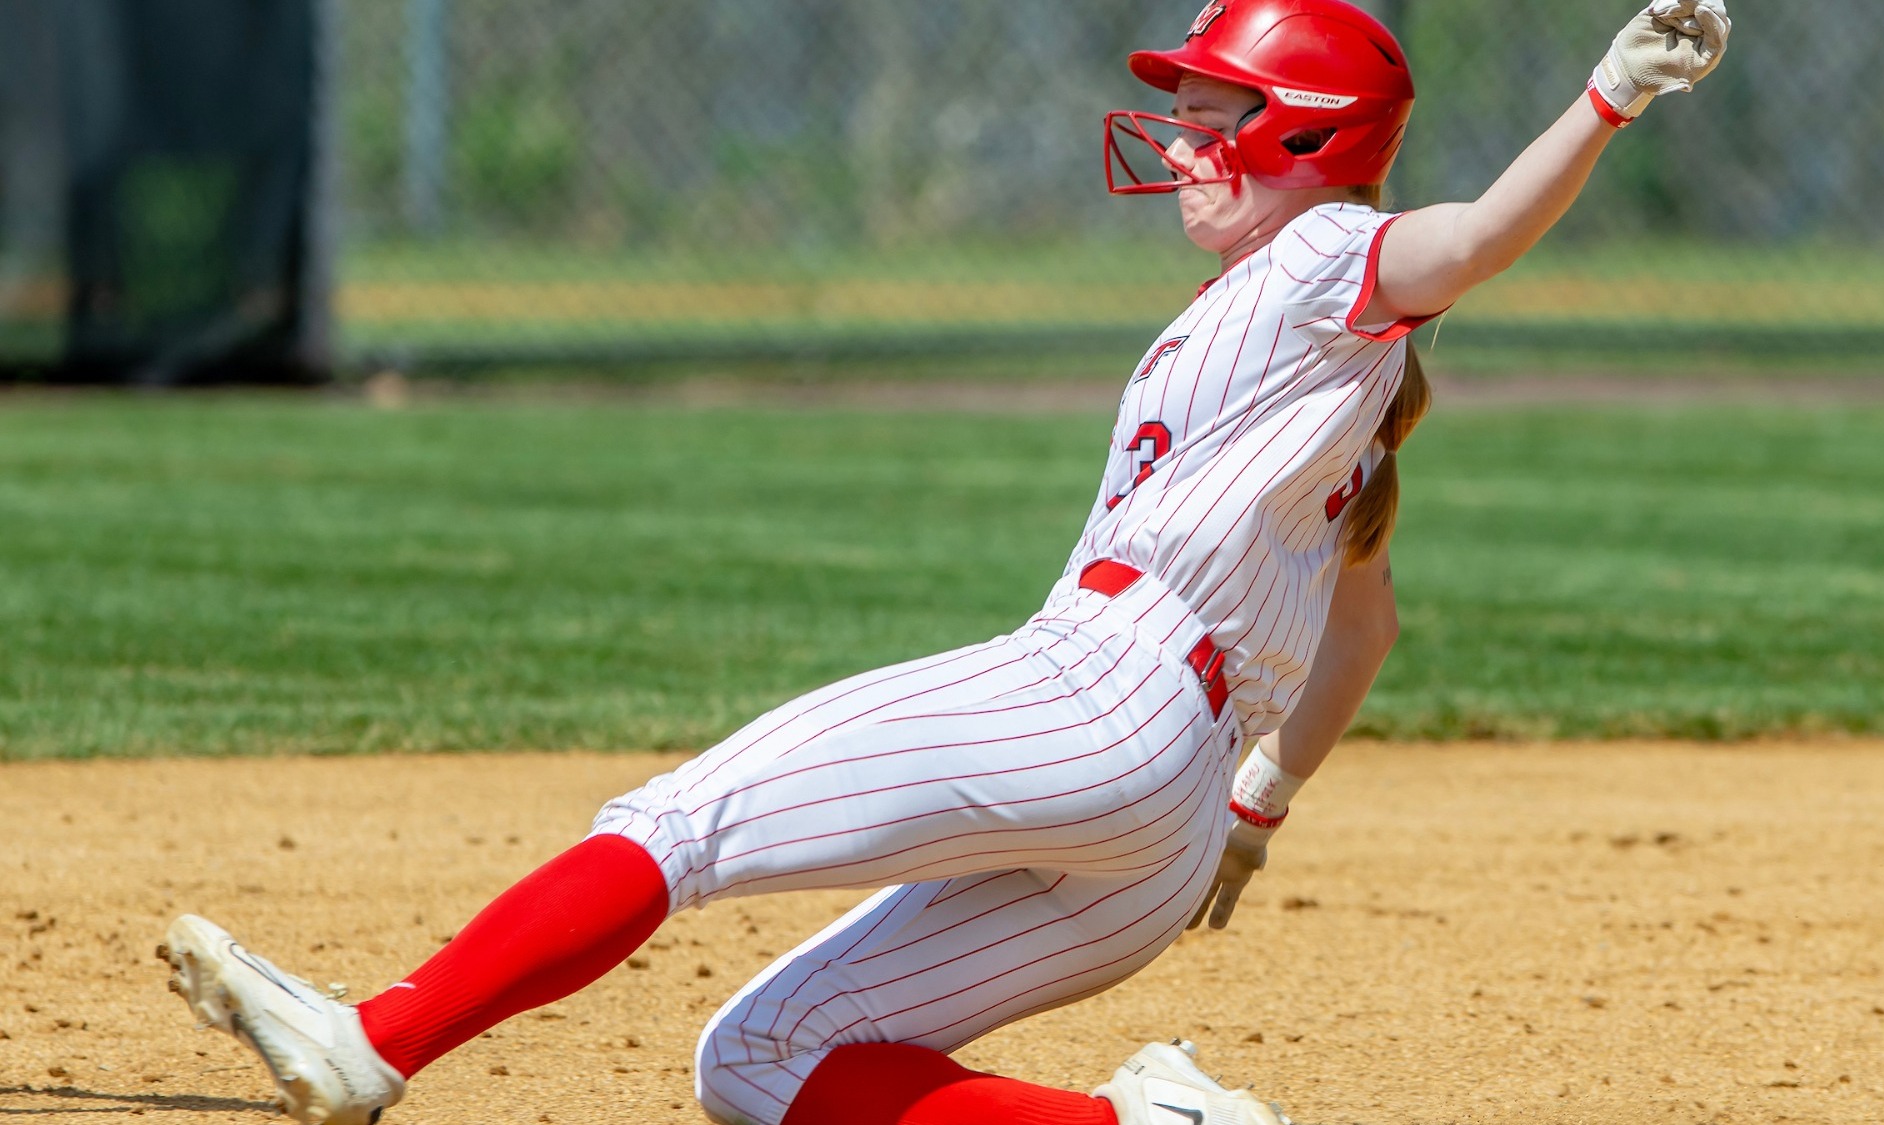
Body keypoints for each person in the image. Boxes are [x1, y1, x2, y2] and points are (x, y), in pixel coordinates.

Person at [156, 3, 1730, 1123]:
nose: (1182, 138)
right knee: (757, 1061)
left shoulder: (1327, 258)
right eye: (1181, 111)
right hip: (1165, 824)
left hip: (1098, 693)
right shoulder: (1347, 378)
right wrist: (1252, 813)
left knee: (679, 820)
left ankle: (380, 1039)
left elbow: (1461, 242)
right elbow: (1364, 626)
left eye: (1212, 112)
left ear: (1306, 137)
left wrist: (1602, 101)